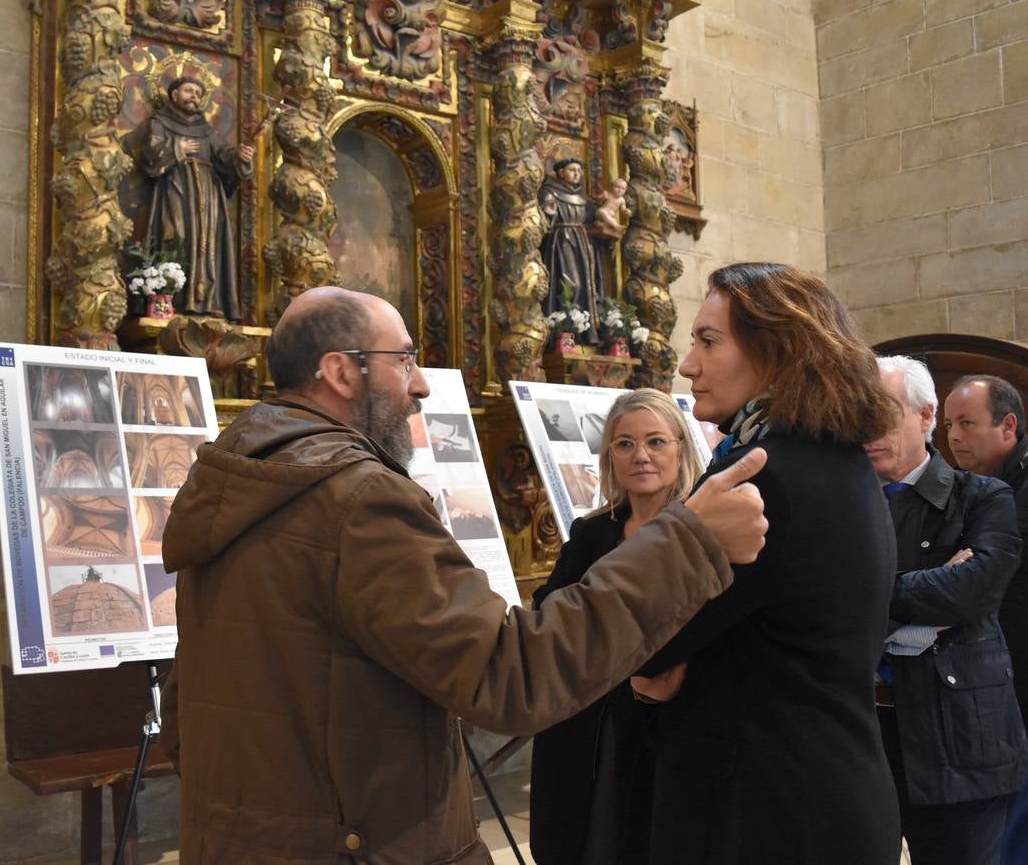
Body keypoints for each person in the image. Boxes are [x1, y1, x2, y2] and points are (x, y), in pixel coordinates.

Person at [158, 286, 770, 863]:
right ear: (342, 371)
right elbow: (512, 675)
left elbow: (191, 708)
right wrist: (689, 544)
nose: (421, 384)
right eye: (403, 361)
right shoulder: (357, 500)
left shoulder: (233, 482)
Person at [638, 261, 903, 864]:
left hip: (768, 812)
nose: (687, 366)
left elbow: (647, 640)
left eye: (709, 341)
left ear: (777, 351)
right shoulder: (829, 456)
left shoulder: (765, 475)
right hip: (821, 794)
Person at [529, 388, 703, 865]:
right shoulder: (593, 532)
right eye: (624, 444)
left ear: (681, 449)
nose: (640, 456)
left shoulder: (697, 528)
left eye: (655, 442)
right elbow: (548, 608)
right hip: (583, 721)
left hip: (664, 724)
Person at [867, 356, 1028, 865]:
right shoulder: (843, 505)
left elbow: (973, 592)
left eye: (884, 410)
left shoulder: (982, 497)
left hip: (959, 734)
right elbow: (813, 597)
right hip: (864, 729)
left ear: (924, 415)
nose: (868, 425)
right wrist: (922, 601)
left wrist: (867, 599)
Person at [944, 374, 1028, 758]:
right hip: (987, 689)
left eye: (966, 423)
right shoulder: (962, 495)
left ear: (1008, 425)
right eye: (949, 425)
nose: (954, 436)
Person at [139, 75, 254, 321]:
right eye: (188, 91)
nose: (194, 96)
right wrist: (178, 148)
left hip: (208, 193)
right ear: (174, 95)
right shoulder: (160, 122)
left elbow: (223, 155)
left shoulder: (206, 129)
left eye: (198, 93)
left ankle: (207, 300)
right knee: (177, 236)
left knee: (208, 244)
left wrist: (240, 157)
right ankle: (174, 301)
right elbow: (151, 153)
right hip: (176, 190)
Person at [539, 158, 602, 343]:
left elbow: (592, 218)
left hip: (582, 243)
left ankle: (580, 333)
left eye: (579, 170)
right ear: (560, 172)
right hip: (562, 241)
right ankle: (562, 329)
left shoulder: (583, 197)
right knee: (571, 284)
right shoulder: (549, 191)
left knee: (586, 287)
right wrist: (549, 213)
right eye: (572, 169)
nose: (577, 174)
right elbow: (545, 215)